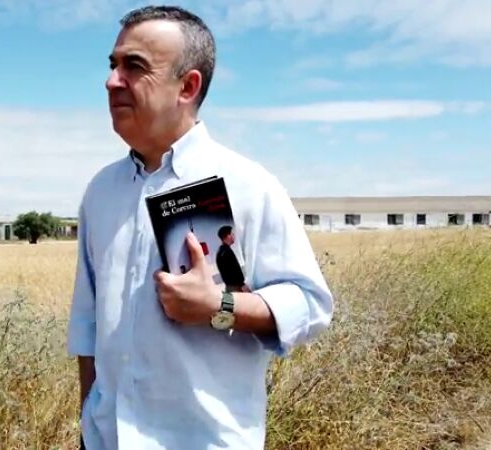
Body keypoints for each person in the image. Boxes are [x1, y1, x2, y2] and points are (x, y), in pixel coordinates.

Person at [67, 5, 333, 450]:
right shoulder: (101, 192)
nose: (112, 81)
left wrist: (219, 306)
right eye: (113, 65)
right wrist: (87, 426)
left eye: (134, 67)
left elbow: (310, 305)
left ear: (187, 87)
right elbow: (88, 323)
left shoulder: (250, 186)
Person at [215, 225, 247, 293]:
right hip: (235, 287)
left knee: (228, 300)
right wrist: (242, 284)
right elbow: (234, 270)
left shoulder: (221, 252)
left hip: (229, 287)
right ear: (228, 236)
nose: (234, 236)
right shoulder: (226, 252)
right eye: (232, 234)